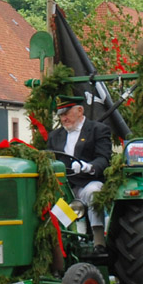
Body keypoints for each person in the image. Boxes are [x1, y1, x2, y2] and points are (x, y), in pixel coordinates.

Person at [47, 100, 112, 252]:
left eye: (67, 114)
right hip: (66, 185)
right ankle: (66, 242)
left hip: (88, 181)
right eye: (61, 115)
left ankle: (98, 241)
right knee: (53, 200)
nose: (64, 119)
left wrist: (88, 167)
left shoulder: (98, 130)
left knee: (93, 193)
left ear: (80, 111)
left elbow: (103, 158)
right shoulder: (55, 136)